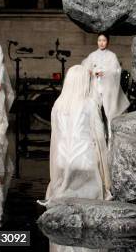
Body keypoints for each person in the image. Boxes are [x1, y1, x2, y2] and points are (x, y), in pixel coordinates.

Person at [39, 65, 111, 206]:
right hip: (85, 160)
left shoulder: (58, 104)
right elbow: (99, 136)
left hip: (61, 160)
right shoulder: (89, 103)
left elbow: (55, 136)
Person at [81, 33, 129, 141]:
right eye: (99, 40)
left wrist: (105, 72)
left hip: (108, 87)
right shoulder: (92, 55)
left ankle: (112, 137)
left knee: (110, 112)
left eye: (104, 40)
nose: (101, 43)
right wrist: (93, 72)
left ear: (108, 42)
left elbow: (116, 70)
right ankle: (98, 138)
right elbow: (85, 67)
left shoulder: (112, 56)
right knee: (95, 111)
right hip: (96, 86)